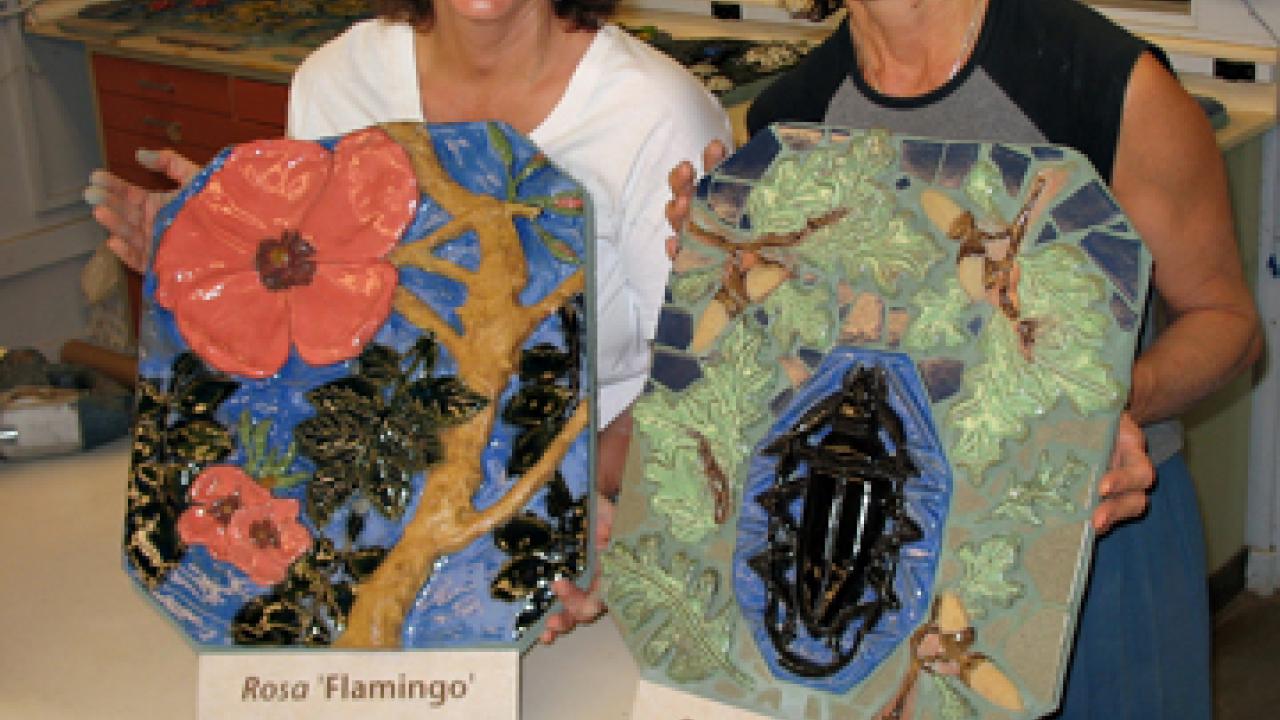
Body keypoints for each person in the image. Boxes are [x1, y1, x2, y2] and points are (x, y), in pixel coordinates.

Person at [667, 0, 1261, 716]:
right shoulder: (792, 118)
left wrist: (1096, 410)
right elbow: (798, 370)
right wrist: (723, 278)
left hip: (1085, 540)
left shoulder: (1105, 82)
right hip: (876, 553)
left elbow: (1226, 321)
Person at [85, 0, 732, 644]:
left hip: (593, 559)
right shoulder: (338, 81)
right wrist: (221, 254)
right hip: (374, 539)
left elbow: (710, 393)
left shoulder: (654, 113)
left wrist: (582, 507)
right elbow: (326, 348)